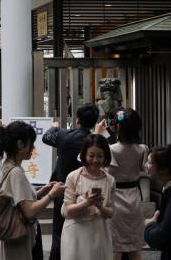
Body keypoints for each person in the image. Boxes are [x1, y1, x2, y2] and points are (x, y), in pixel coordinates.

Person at [0, 121, 65, 260]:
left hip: (11, 236)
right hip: (18, 238)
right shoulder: (16, 172)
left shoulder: (8, 165)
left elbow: (19, 201)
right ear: (20, 145)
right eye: (31, 143)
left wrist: (42, 191)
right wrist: (52, 194)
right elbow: (29, 211)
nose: (33, 147)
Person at [41, 103, 98, 260]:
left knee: (59, 231)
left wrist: (55, 127)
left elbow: (46, 137)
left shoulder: (64, 135)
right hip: (88, 192)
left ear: (77, 120)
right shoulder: (95, 142)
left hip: (63, 190)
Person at [60, 134, 115, 260]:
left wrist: (99, 206)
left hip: (99, 233)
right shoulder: (73, 177)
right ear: (84, 155)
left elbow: (111, 212)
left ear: (106, 156)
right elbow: (67, 211)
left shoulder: (110, 180)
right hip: (75, 234)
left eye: (100, 156)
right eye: (91, 155)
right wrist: (86, 203)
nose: (95, 160)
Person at [104, 108, 148, 260]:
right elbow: (145, 169)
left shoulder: (111, 150)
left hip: (115, 198)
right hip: (134, 198)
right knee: (134, 247)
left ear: (117, 127)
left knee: (116, 247)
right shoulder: (142, 149)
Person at [144, 145, 171, 260]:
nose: (145, 165)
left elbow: (162, 237)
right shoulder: (166, 188)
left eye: (150, 163)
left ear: (164, 169)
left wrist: (149, 225)